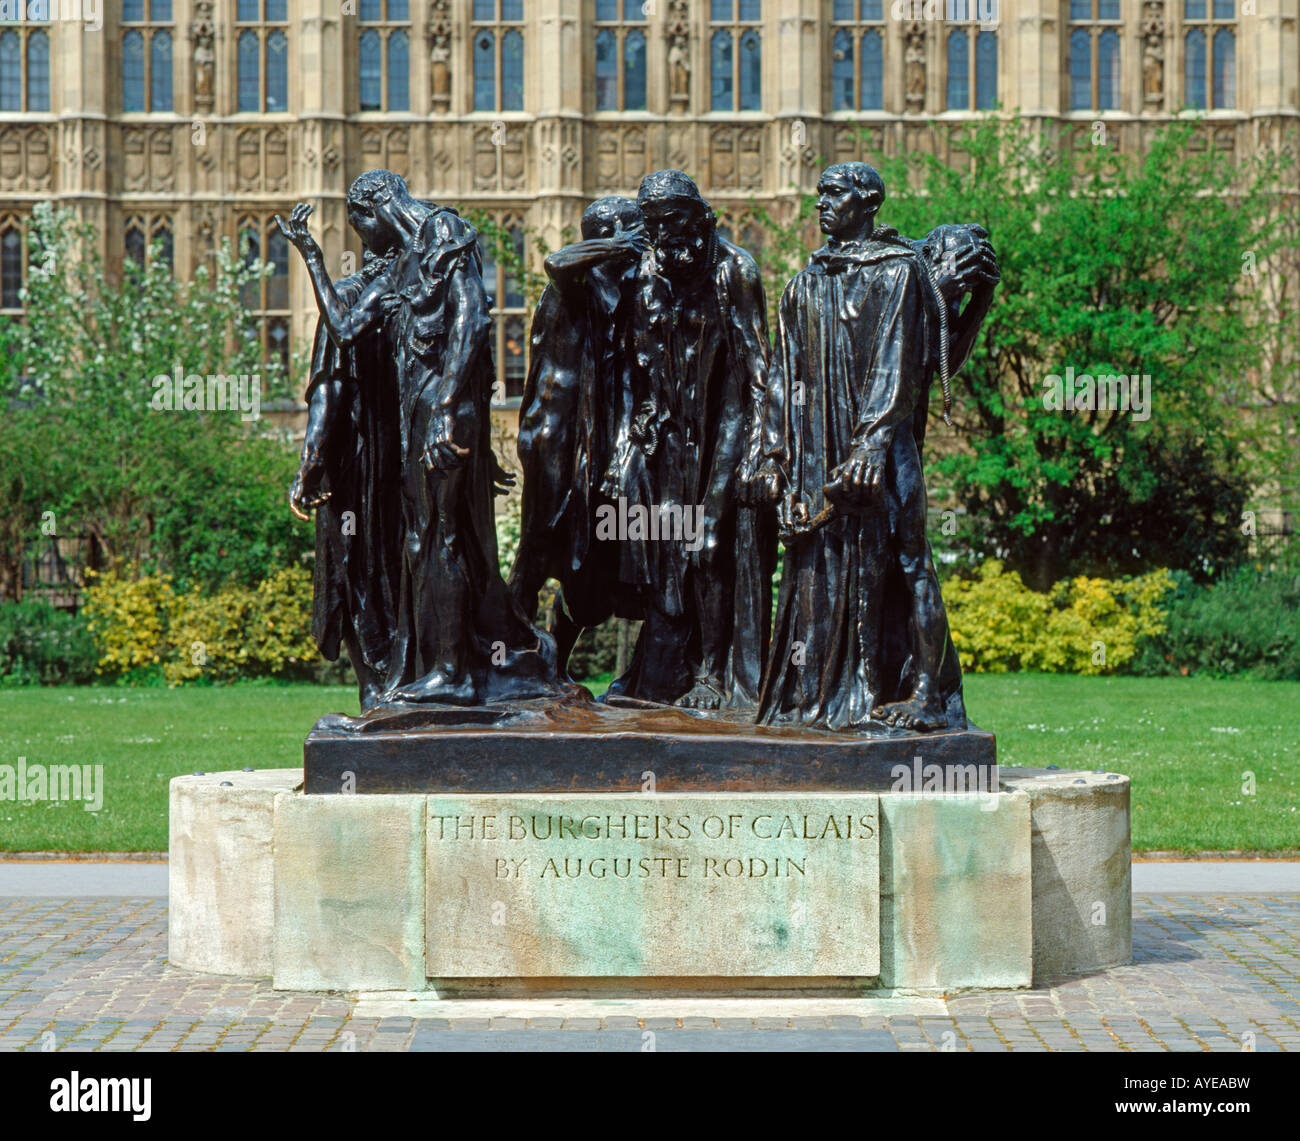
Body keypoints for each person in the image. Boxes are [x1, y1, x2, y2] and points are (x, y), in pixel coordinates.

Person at [277, 170, 567, 707]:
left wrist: (453, 411)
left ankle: (453, 673)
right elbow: (344, 327)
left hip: (438, 413)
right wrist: (313, 259)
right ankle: (458, 659)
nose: (363, 243)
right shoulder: (403, 260)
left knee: (440, 537)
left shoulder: (443, 231)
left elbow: (473, 323)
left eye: (359, 227)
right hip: (423, 414)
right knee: (424, 539)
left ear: (372, 209)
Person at [756, 162, 997, 732]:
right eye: (818, 194)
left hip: (882, 452)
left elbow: (900, 367)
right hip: (818, 451)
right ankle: (824, 691)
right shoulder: (803, 284)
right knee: (819, 566)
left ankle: (930, 696)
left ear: (868, 202)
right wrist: (772, 457)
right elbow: (779, 379)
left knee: (910, 563)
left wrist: (870, 446)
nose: (821, 204)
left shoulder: (900, 272)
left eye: (834, 194)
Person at [602, 169, 776, 711]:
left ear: (700, 218)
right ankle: (664, 672)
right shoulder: (646, 273)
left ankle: (715, 675)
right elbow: (632, 365)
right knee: (666, 553)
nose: (663, 237)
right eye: (652, 226)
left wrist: (761, 450)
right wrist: (636, 425)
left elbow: (758, 369)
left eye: (673, 222)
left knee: (710, 545)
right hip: (669, 441)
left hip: (725, 431)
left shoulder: (734, 271)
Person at [508, 196, 647, 673]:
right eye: (635, 229)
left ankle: (556, 662)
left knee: (593, 571)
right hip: (555, 440)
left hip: (598, 442)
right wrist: (616, 245)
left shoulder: (625, 291)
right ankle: (506, 658)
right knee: (540, 542)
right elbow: (556, 260)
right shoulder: (573, 283)